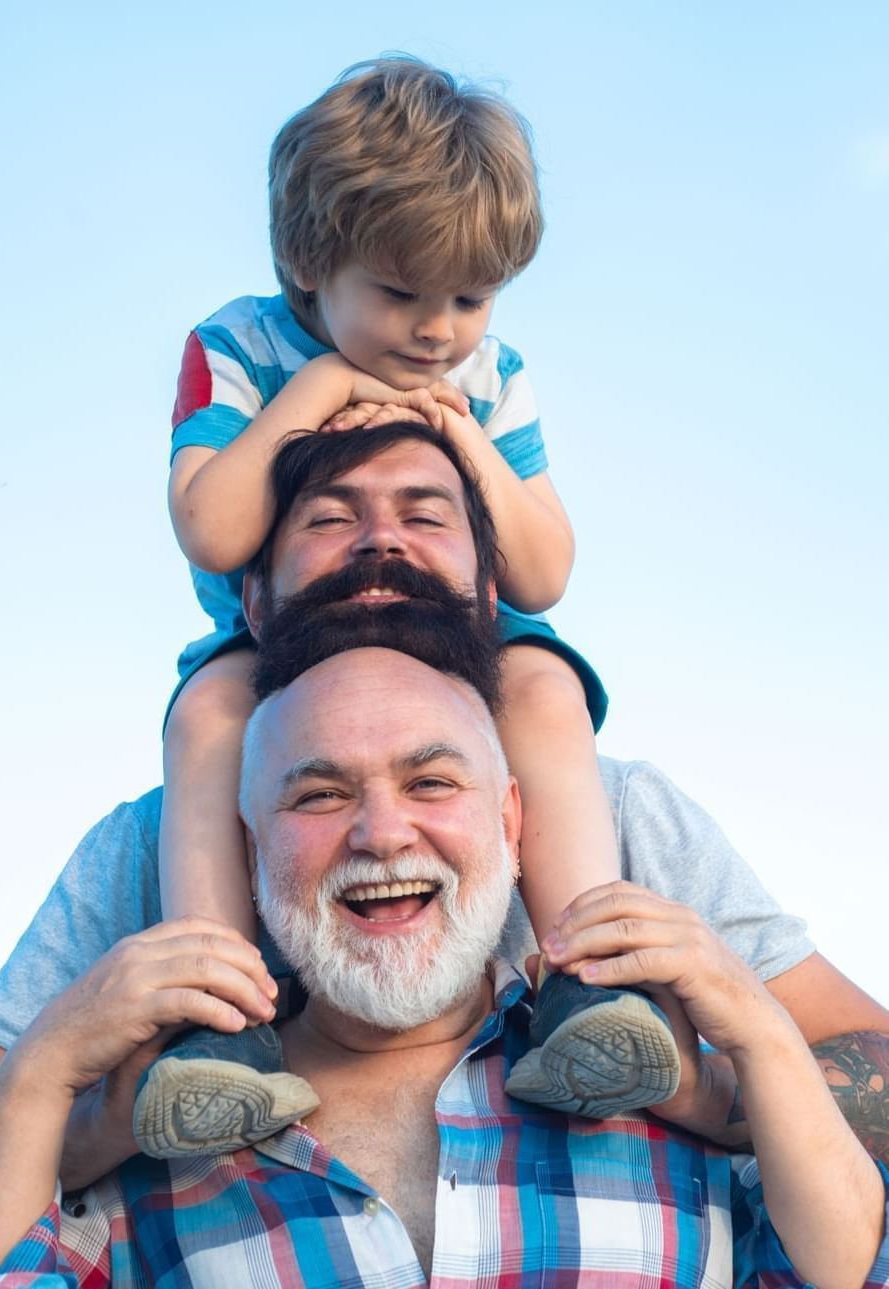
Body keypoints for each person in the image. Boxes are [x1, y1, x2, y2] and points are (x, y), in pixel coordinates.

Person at [0, 422, 887, 1192]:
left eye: (425, 517)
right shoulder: (145, 847)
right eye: (329, 520)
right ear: (251, 602)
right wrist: (94, 1120)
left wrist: (705, 1086)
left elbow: (865, 1057)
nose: (380, 539)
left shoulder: (621, 811)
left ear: (490, 592)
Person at [0, 649, 888, 1286]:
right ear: (250, 853)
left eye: (431, 782)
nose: (382, 833)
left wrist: (758, 1030)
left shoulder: (655, 1094)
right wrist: (48, 1059)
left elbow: (841, 1268)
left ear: (512, 823)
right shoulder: (158, 1154)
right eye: (319, 792)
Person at [152, 52, 678, 1152]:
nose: (439, 331)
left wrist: (466, 442)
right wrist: (316, 392)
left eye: (469, 298)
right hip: (288, 642)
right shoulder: (238, 347)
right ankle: (217, 1024)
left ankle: (587, 986)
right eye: (399, 293)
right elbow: (213, 526)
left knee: (542, 681)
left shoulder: (493, 379)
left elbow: (539, 572)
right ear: (309, 259)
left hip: (454, 639)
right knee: (209, 715)